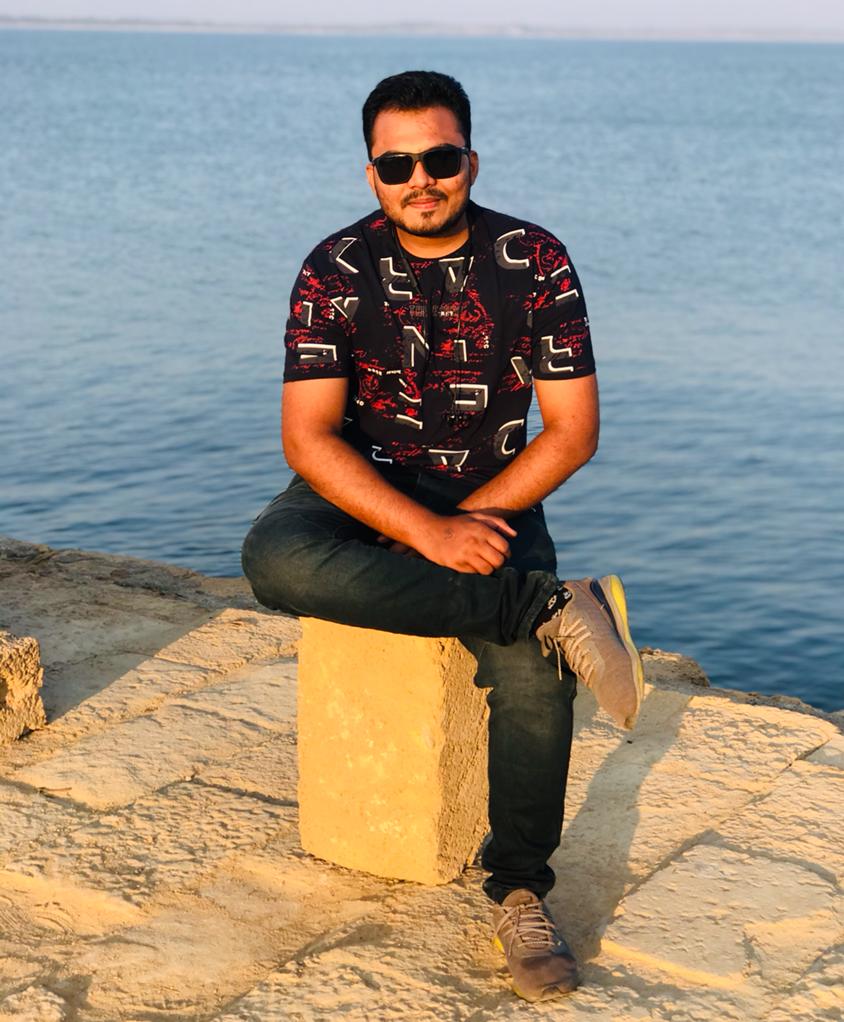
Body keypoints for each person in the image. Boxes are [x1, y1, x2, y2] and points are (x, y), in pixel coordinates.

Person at [242, 70, 644, 1002]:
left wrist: (465, 524)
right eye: (397, 164)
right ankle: (545, 604)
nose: (420, 178)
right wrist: (421, 530)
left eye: (439, 158)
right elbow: (308, 438)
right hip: (360, 489)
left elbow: (572, 433)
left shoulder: (534, 260)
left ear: (471, 160)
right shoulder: (334, 267)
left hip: (497, 492)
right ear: (371, 173)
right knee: (272, 558)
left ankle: (520, 892)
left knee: (530, 675)